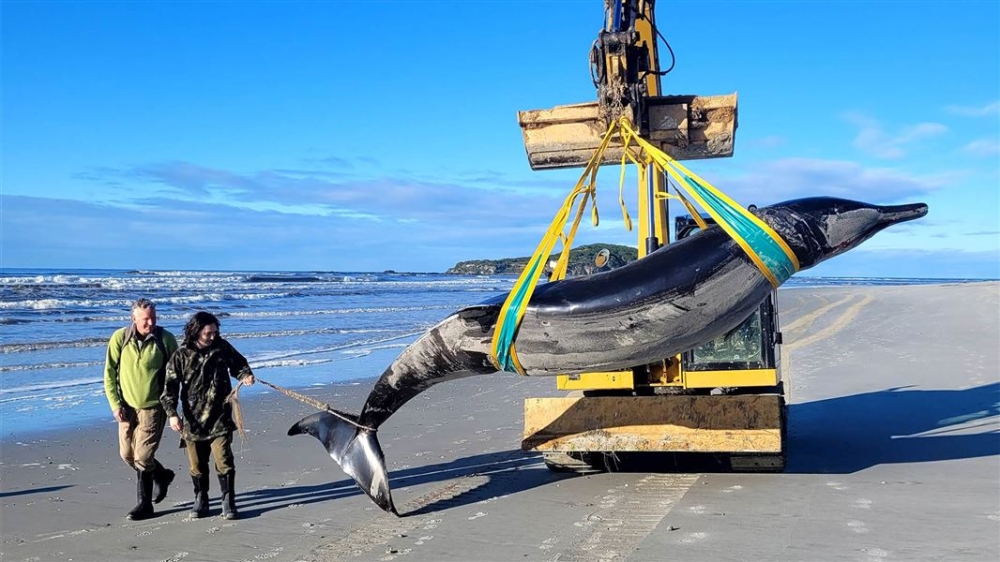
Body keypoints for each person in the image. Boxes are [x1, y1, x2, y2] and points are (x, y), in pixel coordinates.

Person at [161, 311, 255, 520]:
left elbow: (239, 364)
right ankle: (201, 499)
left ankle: (228, 502)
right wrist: (172, 414)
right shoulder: (181, 355)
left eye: (215, 332)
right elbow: (170, 388)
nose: (213, 336)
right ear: (196, 331)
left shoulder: (222, 347)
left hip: (220, 416)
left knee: (224, 459)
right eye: (208, 333)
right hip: (193, 421)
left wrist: (246, 375)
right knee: (196, 464)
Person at [103, 298, 179, 521]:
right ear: (133, 318)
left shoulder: (165, 339)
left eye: (153, 318)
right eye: (145, 319)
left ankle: (144, 505)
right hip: (126, 408)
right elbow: (109, 374)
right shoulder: (120, 338)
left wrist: (172, 408)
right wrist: (115, 404)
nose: (150, 323)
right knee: (127, 455)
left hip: (154, 408)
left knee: (143, 457)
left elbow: (176, 375)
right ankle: (162, 475)